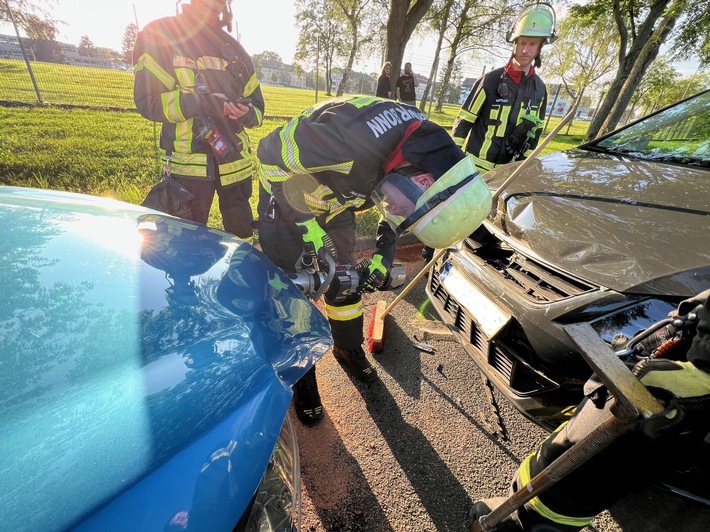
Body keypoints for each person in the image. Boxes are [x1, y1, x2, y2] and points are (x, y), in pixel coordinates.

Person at [255, 96, 492, 425]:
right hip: (284, 208)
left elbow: (396, 205)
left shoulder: (426, 156)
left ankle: (348, 348)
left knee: (345, 281)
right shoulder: (347, 144)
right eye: (406, 212)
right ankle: (302, 377)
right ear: (422, 183)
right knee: (293, 295)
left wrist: (385, 251)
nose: (397, 212)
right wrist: (306, 224)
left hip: (335, 203)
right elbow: (268, 156)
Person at [468, 289, 710, 531]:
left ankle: (523, 523)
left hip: (689, 382)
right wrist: (686, 318)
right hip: (688, 353)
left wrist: (705, 365)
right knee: (604, 463)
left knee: (585, 462)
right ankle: (527, 516)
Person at [418, 2, 557, 263]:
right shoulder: (492, 80)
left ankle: (478, 260)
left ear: (540, 48)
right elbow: (465, 119)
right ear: (514, 43)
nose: (526, 50)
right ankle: (432, 255)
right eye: (522, 43)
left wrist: (524, 164)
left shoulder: (539, 90)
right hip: (475, 166)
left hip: (508, 171)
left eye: (533, 44)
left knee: (494, 217)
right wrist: (451, 158)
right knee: (457, 212)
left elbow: (536, 132)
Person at [133, 0, 265, 244]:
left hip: (235, 165)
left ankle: (238, 278)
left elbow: (258, 112)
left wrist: (244, 112)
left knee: (242, 239)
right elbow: (148, 102)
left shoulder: (235, 50)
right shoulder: (160, 36)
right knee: (184, 244)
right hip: (187, 168)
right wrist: (203, 103)